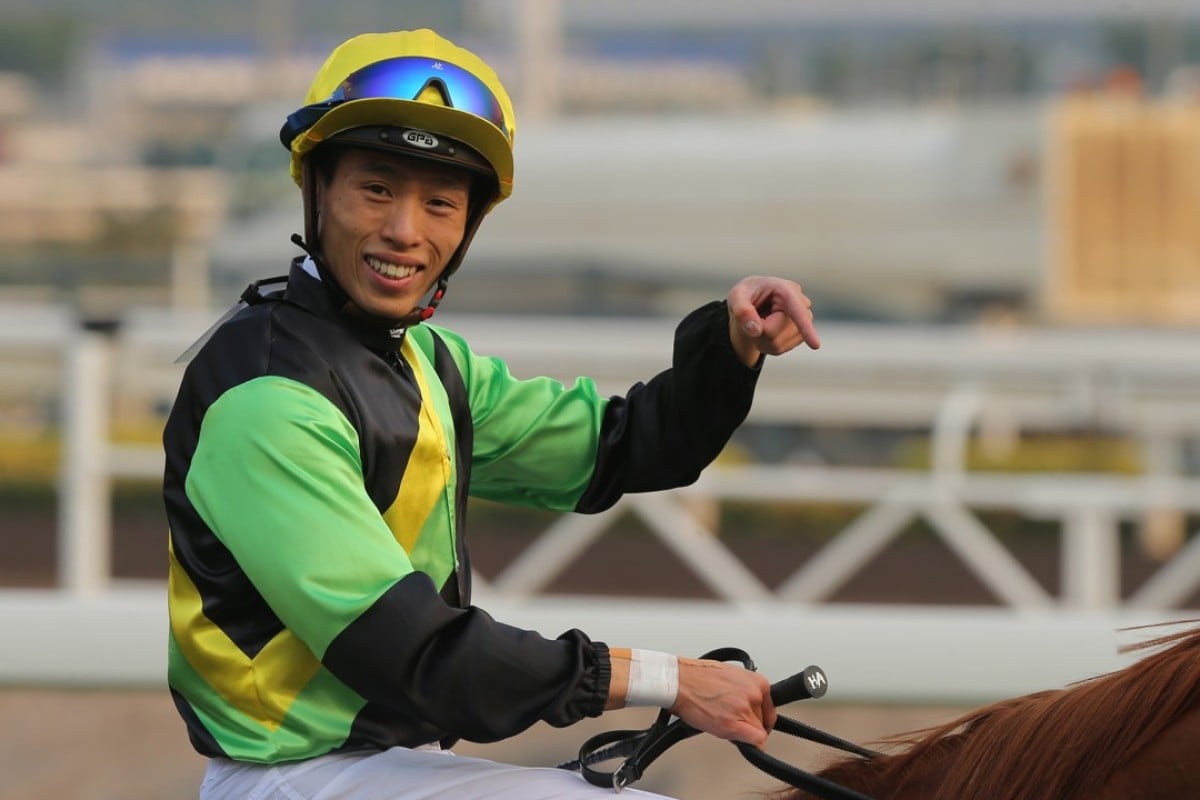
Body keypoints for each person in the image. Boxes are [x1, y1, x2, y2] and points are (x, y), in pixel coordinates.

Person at [163, 28, 820, 800]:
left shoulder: (428, 363)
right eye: (377, 189)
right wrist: (671, 682)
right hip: (294, 776)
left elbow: (624, 449)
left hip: (395, 762)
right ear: (317, 188)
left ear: (467, 226)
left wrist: (731, 348)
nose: (407, 231)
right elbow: (416, 655)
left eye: (440, 202)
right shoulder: (265, 398)